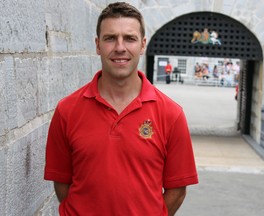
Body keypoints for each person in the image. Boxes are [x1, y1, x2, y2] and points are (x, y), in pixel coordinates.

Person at [44, 2, 198, 216]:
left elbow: (177, 189)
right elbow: (61, 182)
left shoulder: (171, 114)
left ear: (143, 45)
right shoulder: (67, 110)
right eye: (110, 38)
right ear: (98, 45)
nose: (120, 47)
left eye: (129, 38)